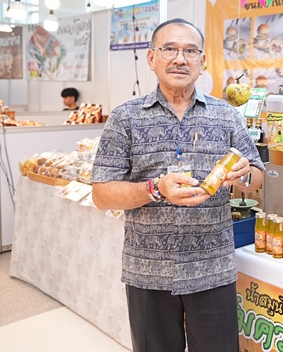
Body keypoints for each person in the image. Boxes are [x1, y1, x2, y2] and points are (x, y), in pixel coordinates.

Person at [91, 18, 264, 352]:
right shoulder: (126, 117)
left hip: (212, 267)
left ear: (203, 61)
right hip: (148, 270)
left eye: (190, 51)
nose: (180, 59)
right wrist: (155, 188)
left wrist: (243, 175)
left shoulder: (227, 116)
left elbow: (256, 176)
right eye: (169, 49)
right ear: (151, 58)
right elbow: (101, 194)